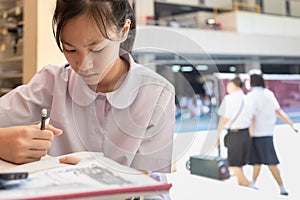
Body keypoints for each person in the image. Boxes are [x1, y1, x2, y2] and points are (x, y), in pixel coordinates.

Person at [0, 0, 175, 180]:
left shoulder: (156, 93)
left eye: (96, 49)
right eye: (70, 49)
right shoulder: (52, 81)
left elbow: (152, 186)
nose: (84, 65)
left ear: (123, 30)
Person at [247, 73, 298, 196]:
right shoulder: (269, 94)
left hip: (257, 134)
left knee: (267, 162)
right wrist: (291, 125)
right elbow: (278, 111)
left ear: (252, 81)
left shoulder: (251, 96)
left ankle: (281, 187)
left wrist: (250, 133)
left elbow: (251, 116)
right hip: (267, 133)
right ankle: (254, 183)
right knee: (261, 161)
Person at [217, 76, 252, 187]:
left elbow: (223, 119)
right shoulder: (248, 98)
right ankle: (241, 183)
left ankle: (248, 184)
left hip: (234, 134)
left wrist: (217, 137)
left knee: (232, 164)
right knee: (240, 163)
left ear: (234, 85)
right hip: (246, 133)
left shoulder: (229, 99)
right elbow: (252, 118)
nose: (227, 87)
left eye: (229, 85)